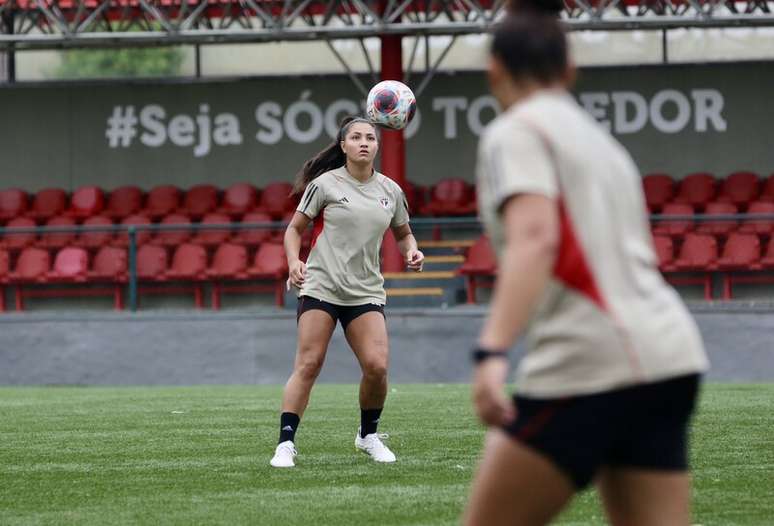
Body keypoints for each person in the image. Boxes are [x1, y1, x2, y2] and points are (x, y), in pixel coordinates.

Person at [463, 2, 710, 524]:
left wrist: (491, 352)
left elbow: (535, 238)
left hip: (591, 362)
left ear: (495, 70)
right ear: (570, 70)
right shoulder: (603, 143)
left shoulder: (516, 130)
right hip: (669, 358)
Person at [269, 116, 424, 468]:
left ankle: (367, 435)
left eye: (370, 137)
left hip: (365, 290)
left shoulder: (390, 191)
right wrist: (294, 261)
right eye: (355, 137)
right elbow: (294, 230)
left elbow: (403, 234)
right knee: (309, 364)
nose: (364, 142)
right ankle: (286, 444)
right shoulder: (324, 185)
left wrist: (411, 250)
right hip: (321, 284)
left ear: (377, 145)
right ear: (343, 145)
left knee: (377, 366)